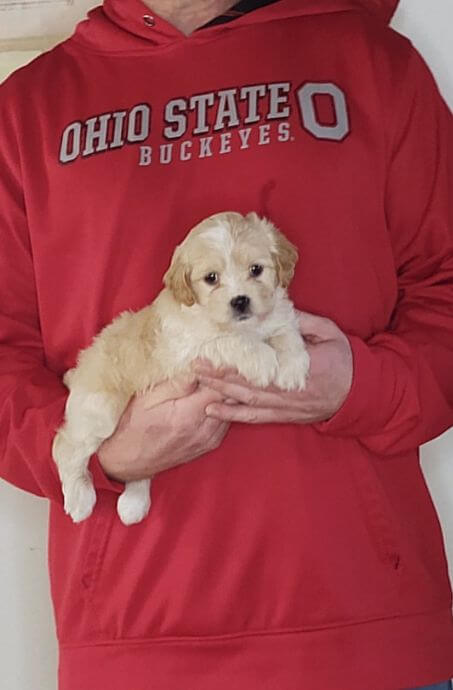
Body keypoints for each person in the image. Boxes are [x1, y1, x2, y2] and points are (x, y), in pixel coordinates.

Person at [0, 0, 452, 688]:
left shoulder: (371, 64)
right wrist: (103, 452)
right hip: (136, 640)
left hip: (366, 635)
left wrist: (359, 387)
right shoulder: (27, 111)